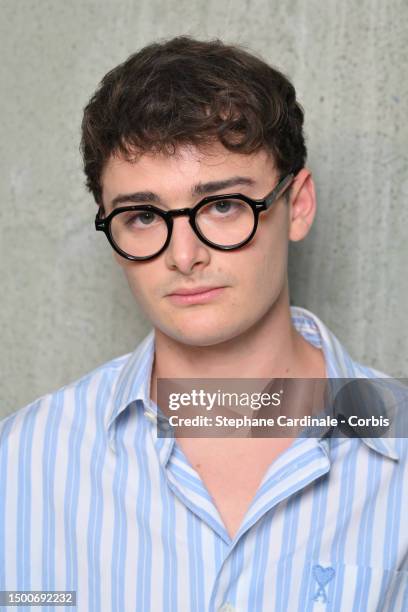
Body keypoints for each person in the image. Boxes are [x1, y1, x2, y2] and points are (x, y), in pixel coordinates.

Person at [0, 36, 407, 612]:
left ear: (299, 205)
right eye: (143, 216)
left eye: (222, 205)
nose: (184, 256)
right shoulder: (22, 463)